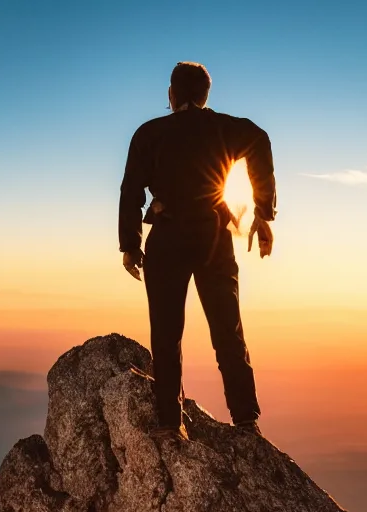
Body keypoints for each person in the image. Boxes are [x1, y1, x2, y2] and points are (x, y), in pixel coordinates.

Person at [118, 61, 277, 441]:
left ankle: (169, 423)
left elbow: (130, 190)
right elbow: (261, 141)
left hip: (168, 238)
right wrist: (263, 213)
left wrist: (129, 244)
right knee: (228, 330)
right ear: (206, 96)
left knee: (167, 333)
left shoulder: (149, 133)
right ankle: (245, 419)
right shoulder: (225, 128)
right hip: (213, 239)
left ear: (171, 95)